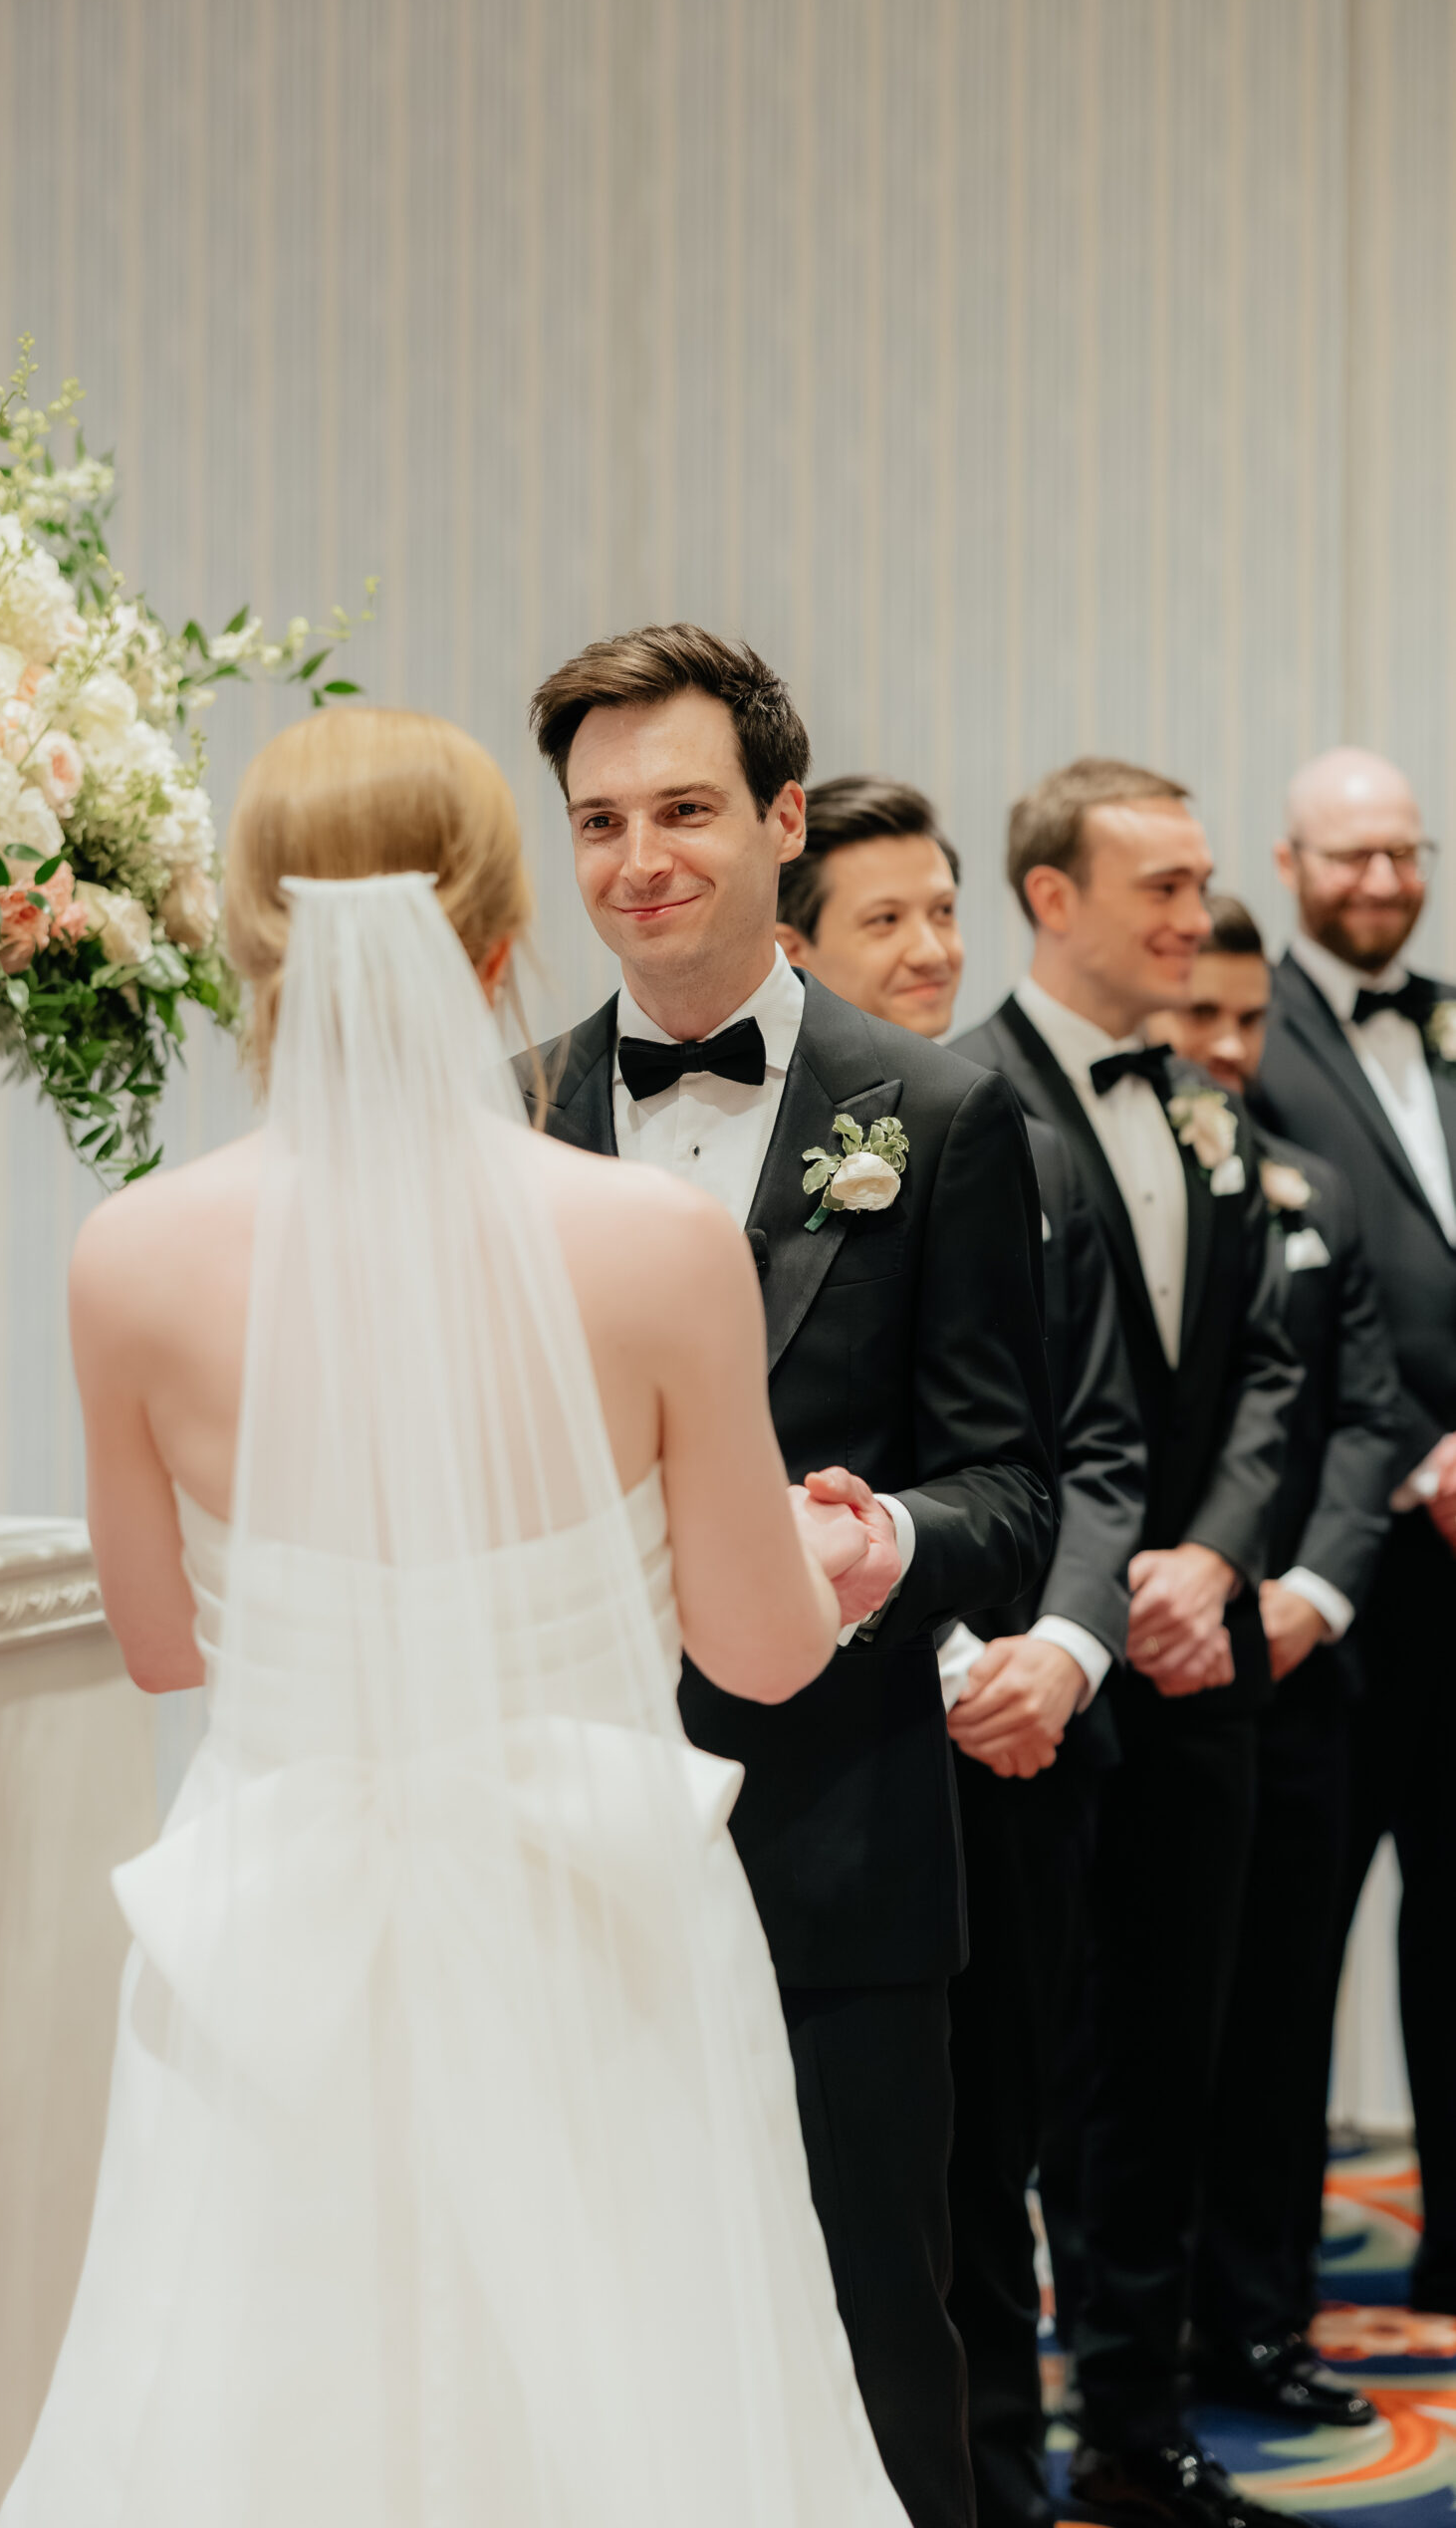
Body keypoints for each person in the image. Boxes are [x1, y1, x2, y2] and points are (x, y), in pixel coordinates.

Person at [0, 708, 909, 2527]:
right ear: (501, 937)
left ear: (252, 941)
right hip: (599, 1925)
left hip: (275, 1942)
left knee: (270, 2406)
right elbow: (759, 1655)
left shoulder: (133, 1258)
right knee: (638, 2407)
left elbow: (164, 1648)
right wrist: (829, 1560)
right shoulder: (653, 1244)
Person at [522, 628, 1060, 2528]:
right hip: (560, 1841)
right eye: (598, 821)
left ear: (781, 821)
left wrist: (884, 1540)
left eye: (683, 809)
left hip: (838, 1843)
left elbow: (1014, 1486)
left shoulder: (940, 1112)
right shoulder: (503, 1115)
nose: (639, 859)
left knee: (866, 2333)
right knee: (588, 2333)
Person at [780, 773, 1146, 2528]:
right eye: (888, 919)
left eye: (945, 910)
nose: (934, 948)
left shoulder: (1024, 1140)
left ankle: (1001, 2490)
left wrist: (1062, 1651)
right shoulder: (740, 1156)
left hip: (1022, 1732)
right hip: (840, 1733)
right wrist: (929, 1662)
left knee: (990, 2165)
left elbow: (1089, 1441)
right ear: (799, 947)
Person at [952, 758, 1303, 2528]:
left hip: (1198, 1665)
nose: (1196, 917)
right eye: (1160, 886)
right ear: (1053, 897)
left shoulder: (1208, 1108)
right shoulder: (955, 1102)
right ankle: (992, 2446)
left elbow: (1272, 1371)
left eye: (1199, 882)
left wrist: (1216, 1556)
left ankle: (1139, 2425)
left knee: (1174, 2057)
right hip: (1036, 1676)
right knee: (1029, 2087)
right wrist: (1090, 1603)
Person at [1143, 892, 1402, 2428]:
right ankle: (1128, 2330)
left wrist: (1310, 1593)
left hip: (1295, 1668)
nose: (1231, 1048)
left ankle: (1262, 2323)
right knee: (1135, 2030)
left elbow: (1367, 1416)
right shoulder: (1081, 1170)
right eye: (1204, 1016)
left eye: (1250, 1019)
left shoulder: (1318, 1191)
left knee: (1282, 2018)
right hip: (1135, 1666)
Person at [1251, 747, 1456, 2318]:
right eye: (1349, 856)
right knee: (1290, 1928)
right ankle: (1260, 2278)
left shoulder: (1451, 1021)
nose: (1382, 881)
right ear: (1290, 864)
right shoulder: (1248, 1037)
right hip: (1330, 1558)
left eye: (1405, 852)